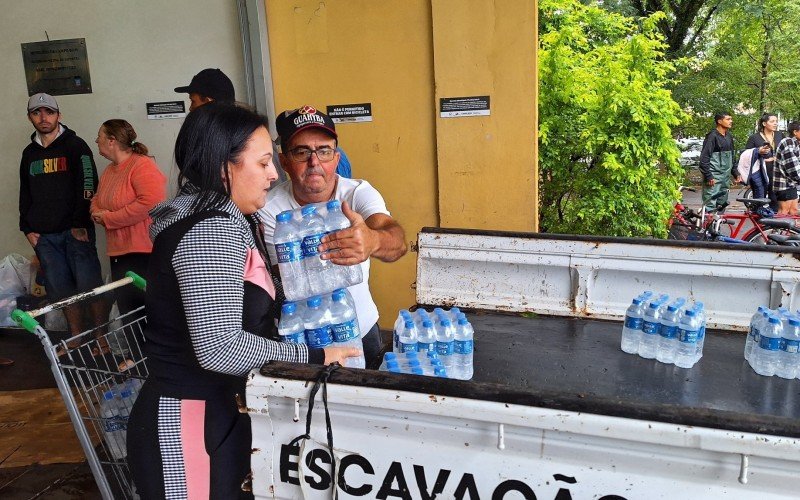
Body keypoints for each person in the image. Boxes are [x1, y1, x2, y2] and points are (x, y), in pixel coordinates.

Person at [126, 103, 359, 499]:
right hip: (188, 422)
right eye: (264, 162)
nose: (273, 174)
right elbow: (219, 348)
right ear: (224, 167)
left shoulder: (227, 217)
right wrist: (316, 357)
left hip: (215, 413)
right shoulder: (209, 230)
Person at [260, 106, 408, 366]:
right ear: (284, 162)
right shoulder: (270, 209)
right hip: (303, 339)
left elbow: (397, 242)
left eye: (324, 151)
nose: (314, 162)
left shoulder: (357, 193)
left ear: (336, 158)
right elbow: (286, 283)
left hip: (359, 329)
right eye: (301, 152)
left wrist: (372, 240)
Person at [18, 93, 107, 337]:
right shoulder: (29, 153)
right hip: (45, 237)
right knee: (61, 292)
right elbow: (25, 191)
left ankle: (101, 338)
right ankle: (76, 337)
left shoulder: (76, 146)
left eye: (49, 112)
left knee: (90, 288)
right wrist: (26, 227)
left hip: (75, 231)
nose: (43, 117)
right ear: (30, 117)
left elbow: (89, 183)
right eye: (37, 113)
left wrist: (80, 222)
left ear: (59, 115)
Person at [91, 119, 166, 314]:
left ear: (111, 141)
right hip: (117, 253)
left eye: (99, 137)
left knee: (145, 312)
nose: (96, 141)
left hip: (142, 253)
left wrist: (109, 219)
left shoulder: (142, 165)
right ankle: (135, 346)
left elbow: (150, 203)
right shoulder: (109, 171)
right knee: (127, 312)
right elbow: (97, 200)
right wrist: (97, 213)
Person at [699, 112, 740, 211]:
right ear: (719, 121)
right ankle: (707, 225)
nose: (731, 121)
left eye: (731, 119)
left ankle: (718, 225)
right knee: (710, 202)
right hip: (714, 176)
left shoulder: (729, 136)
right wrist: (708, 175)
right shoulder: (712, 136)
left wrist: (735, 172)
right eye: (728, 119)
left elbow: (732, 156)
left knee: (722, 203)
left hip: (725, 176)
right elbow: (704, 158)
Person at [745, 113, 784, 200]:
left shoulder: (779, 135)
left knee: (775, 198)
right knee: (760, 197)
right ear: (764, 124)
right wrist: (759, 153)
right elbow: (746, 154)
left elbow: (784, 151)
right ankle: (758, 211)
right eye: (772, 121)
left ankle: (775, 212)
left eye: (776, 121)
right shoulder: (754, 137)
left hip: (776, 170)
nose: (775, 123)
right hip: (760, 171)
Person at [773, 122, 800, 215]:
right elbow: (792, 168)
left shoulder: (795, 143)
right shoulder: (788, 142)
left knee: (793, 211)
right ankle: (774, 230)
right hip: (783, 184)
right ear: (795, 132)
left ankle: (787, 230)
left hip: (790, 184)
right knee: (784, 212)